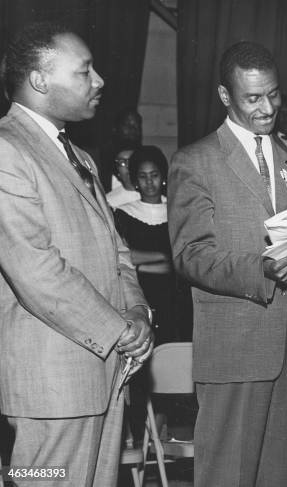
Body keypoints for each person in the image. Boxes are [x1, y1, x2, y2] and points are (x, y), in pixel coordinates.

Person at [167, 40, 287, 487]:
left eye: (273, 94)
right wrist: (263, 269)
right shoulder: (195, 161)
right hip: (235, 349)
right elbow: (190, 254)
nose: (267, 107)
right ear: (224, 96)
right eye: (252, 98)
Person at [0, 21, 153, 486]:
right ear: (41, 80)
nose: (100, 81)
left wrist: (138, 310)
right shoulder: (7, 150)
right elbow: (36, 270)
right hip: (53, 388)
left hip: (105, 374)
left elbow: (116, 250)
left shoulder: (80, 157)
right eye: (85, 71)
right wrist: (119, 329)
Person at [115, 145, 179, 343]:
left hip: (173, 298)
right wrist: (163, 258)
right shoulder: (122, 213)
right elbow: (123, 257)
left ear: (163, 177)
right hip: (139, 295)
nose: (149, 182)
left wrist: (142, 262)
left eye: (154, 175)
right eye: (143, 176)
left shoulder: (177, 211)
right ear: (135, 180)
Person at [105, 140, 140, 209]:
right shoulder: (108, 202)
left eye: (133, 160)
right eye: (122, 163)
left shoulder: (154, 197)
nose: (129, 166)